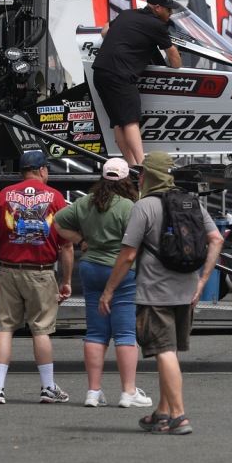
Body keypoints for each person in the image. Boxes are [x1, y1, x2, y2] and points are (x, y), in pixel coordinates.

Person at [97, 151, 222, 435]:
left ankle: (179, 416)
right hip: (187, 291)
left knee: (163, 351)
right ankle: (162, 413)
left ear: (149, 176)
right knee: (172, 353)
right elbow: (216, 239)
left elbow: (128, 255)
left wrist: (109, 291)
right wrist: (202, 281)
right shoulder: (192, 203)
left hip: (155, 293)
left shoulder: (144, 206)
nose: (139, 177)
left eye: (142, 173)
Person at [53, 157, 151, 409]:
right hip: (119, 272)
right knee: (125, 333)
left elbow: (57, 222)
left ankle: (93, 393)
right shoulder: (129, 206)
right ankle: (128, 391)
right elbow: (136, 245)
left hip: (89, 268)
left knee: (95, 332)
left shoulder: (85, 202)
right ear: (126, 179)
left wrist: (81, 239)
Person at [0, 150, 73, 405]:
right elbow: (66, 245)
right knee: (41, 330)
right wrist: (66, 280)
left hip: (8, 271)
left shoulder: (5, 195)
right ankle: (47, 388)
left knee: (5, 328)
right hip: (42, 273)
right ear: (42, 170)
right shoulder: (54, 197)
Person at [91, 0, 183, 165]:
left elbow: (104, 32)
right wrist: (177, 69)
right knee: (131, 121)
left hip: (100, 72)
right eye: (168, 9)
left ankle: (132, 166)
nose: (170, 13)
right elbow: (173, 57)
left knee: (119, 122)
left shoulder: (127, 14)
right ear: (157, 8)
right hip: (120, 75)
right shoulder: (157, 25)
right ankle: (141, 166)